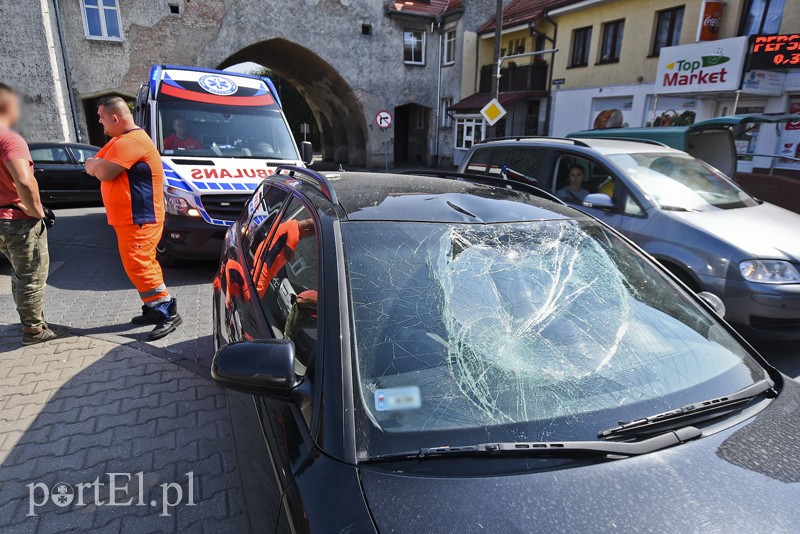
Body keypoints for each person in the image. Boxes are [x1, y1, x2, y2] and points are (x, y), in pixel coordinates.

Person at [85, 96, 181, 340]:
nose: (99, 122)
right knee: (135, 265)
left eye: (101, 117)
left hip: (140, 218)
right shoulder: (120, 141)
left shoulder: (131, 142)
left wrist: (96, 165)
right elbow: (91, 164)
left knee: (140, 265)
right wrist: (95, 164)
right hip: (131, 218)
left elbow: (102, 171)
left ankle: (167, 311)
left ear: (115, 118)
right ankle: (153, 307)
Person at [0, 83, 68, 345]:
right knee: (31, 276)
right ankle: (34, 331)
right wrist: (37, 211)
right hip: (17, 220)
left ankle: (31, 320)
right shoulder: (10, 138)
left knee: (19, 273)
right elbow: (25, 182)